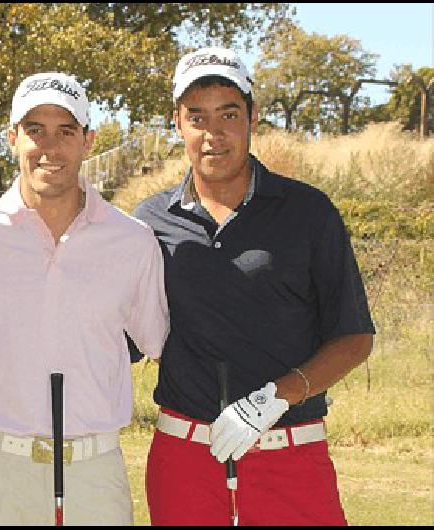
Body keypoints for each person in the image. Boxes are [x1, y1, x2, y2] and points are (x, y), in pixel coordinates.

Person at [133, 47, 375, 526]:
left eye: (228, 113)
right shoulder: (148, 223)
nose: (213, 133)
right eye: (197, 117)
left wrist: (277, 397)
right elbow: (121, 335)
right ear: (178, 124)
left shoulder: (308, 212)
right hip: (184, 459)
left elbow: (354, 337)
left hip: (290, 456)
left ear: (253, 118)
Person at [0, 72, 169, 525]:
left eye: (65, 131)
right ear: (13, 138)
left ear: (88, 140)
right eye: (35, 130)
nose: (49, 147)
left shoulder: (133, 241)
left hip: (95, 469)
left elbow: (155, 343)